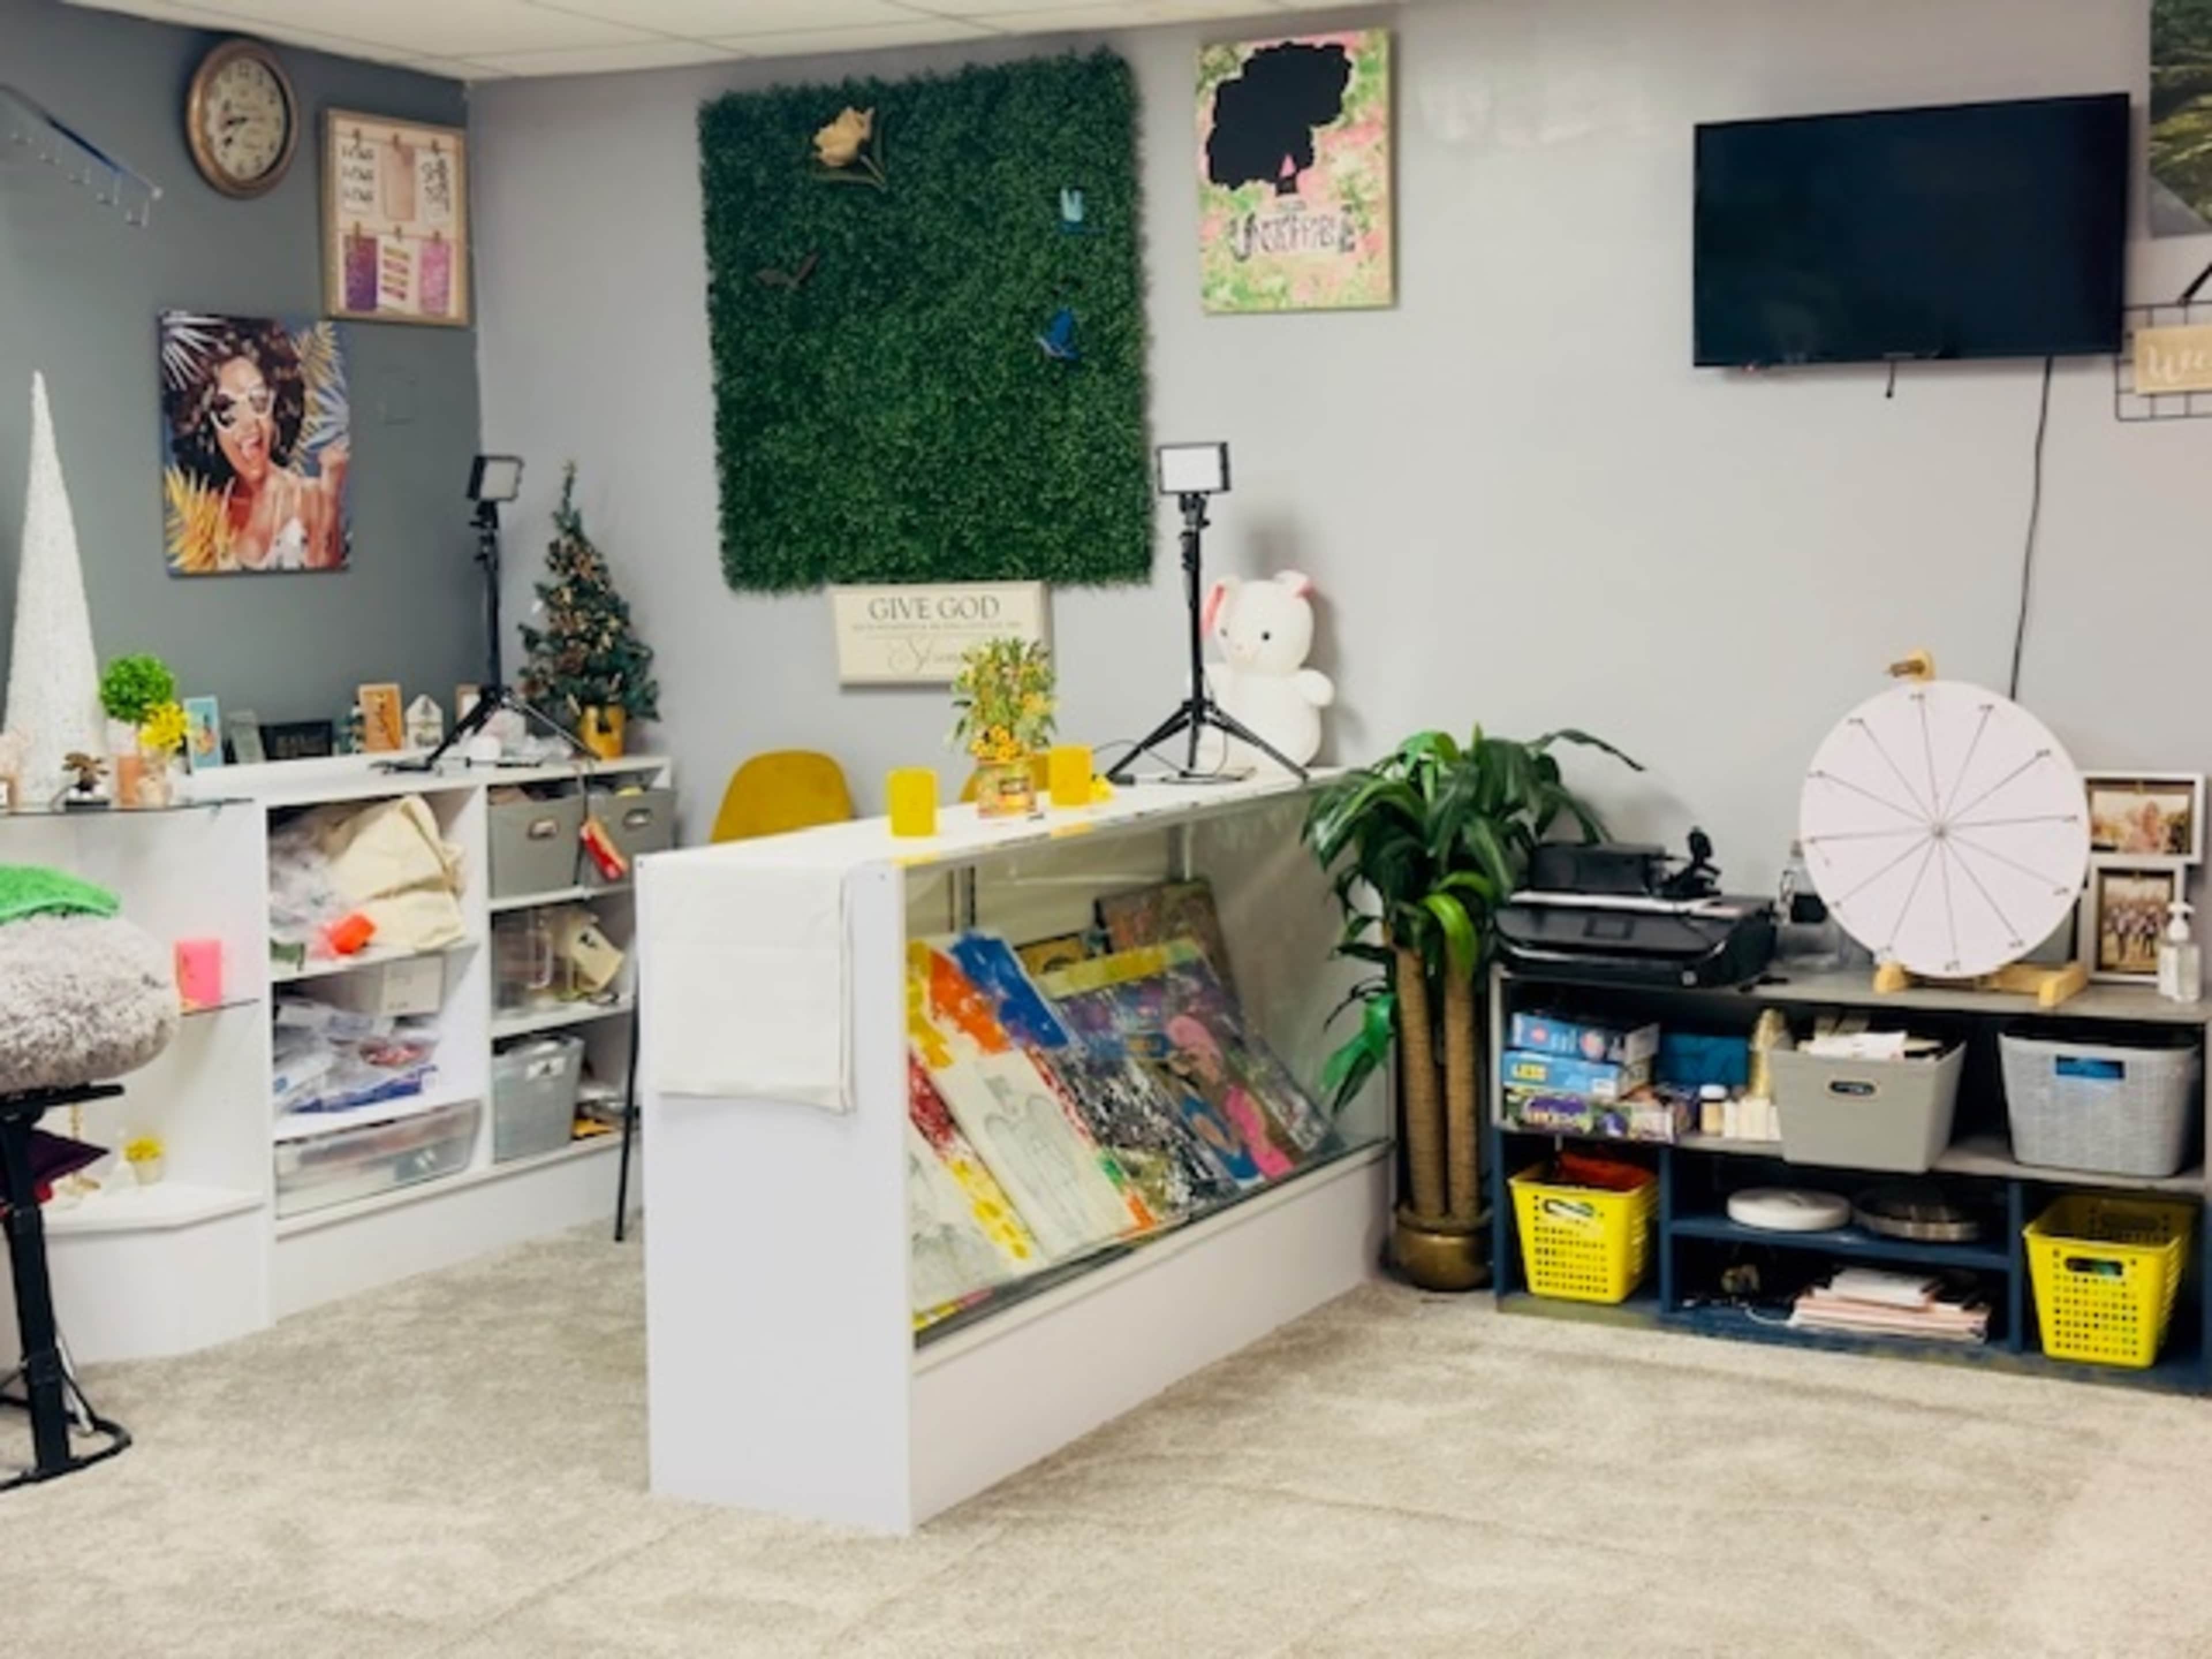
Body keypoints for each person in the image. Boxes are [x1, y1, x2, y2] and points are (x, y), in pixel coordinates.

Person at [163, 319, 348, 571]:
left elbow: (328, 571)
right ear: (207, 426)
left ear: (277, 406)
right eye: (226, 410)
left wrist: (332, 490)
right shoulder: (207, 514)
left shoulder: (308, 495)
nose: (249, 423)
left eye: (258, 400)